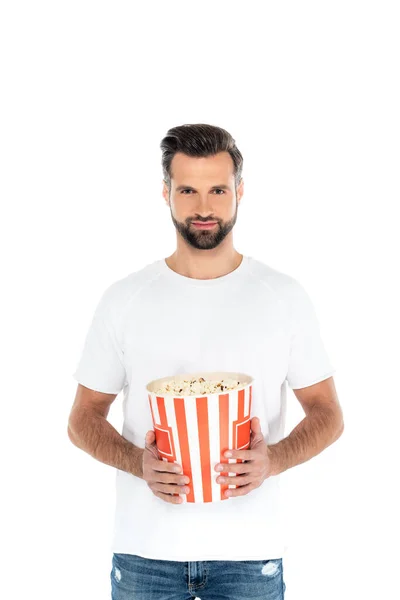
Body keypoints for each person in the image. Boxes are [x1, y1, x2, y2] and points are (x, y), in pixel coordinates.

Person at [68, 123, 344, 599]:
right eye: (188, 190)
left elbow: (328, 414)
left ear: (239, 191)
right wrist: (138, 463)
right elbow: (82, 419)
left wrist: (273, 460)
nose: (203, 207)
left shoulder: (282, 297)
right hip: (145, 554)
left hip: (249, 553)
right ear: (165, 194)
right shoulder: (125, 299)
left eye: (217, 189)